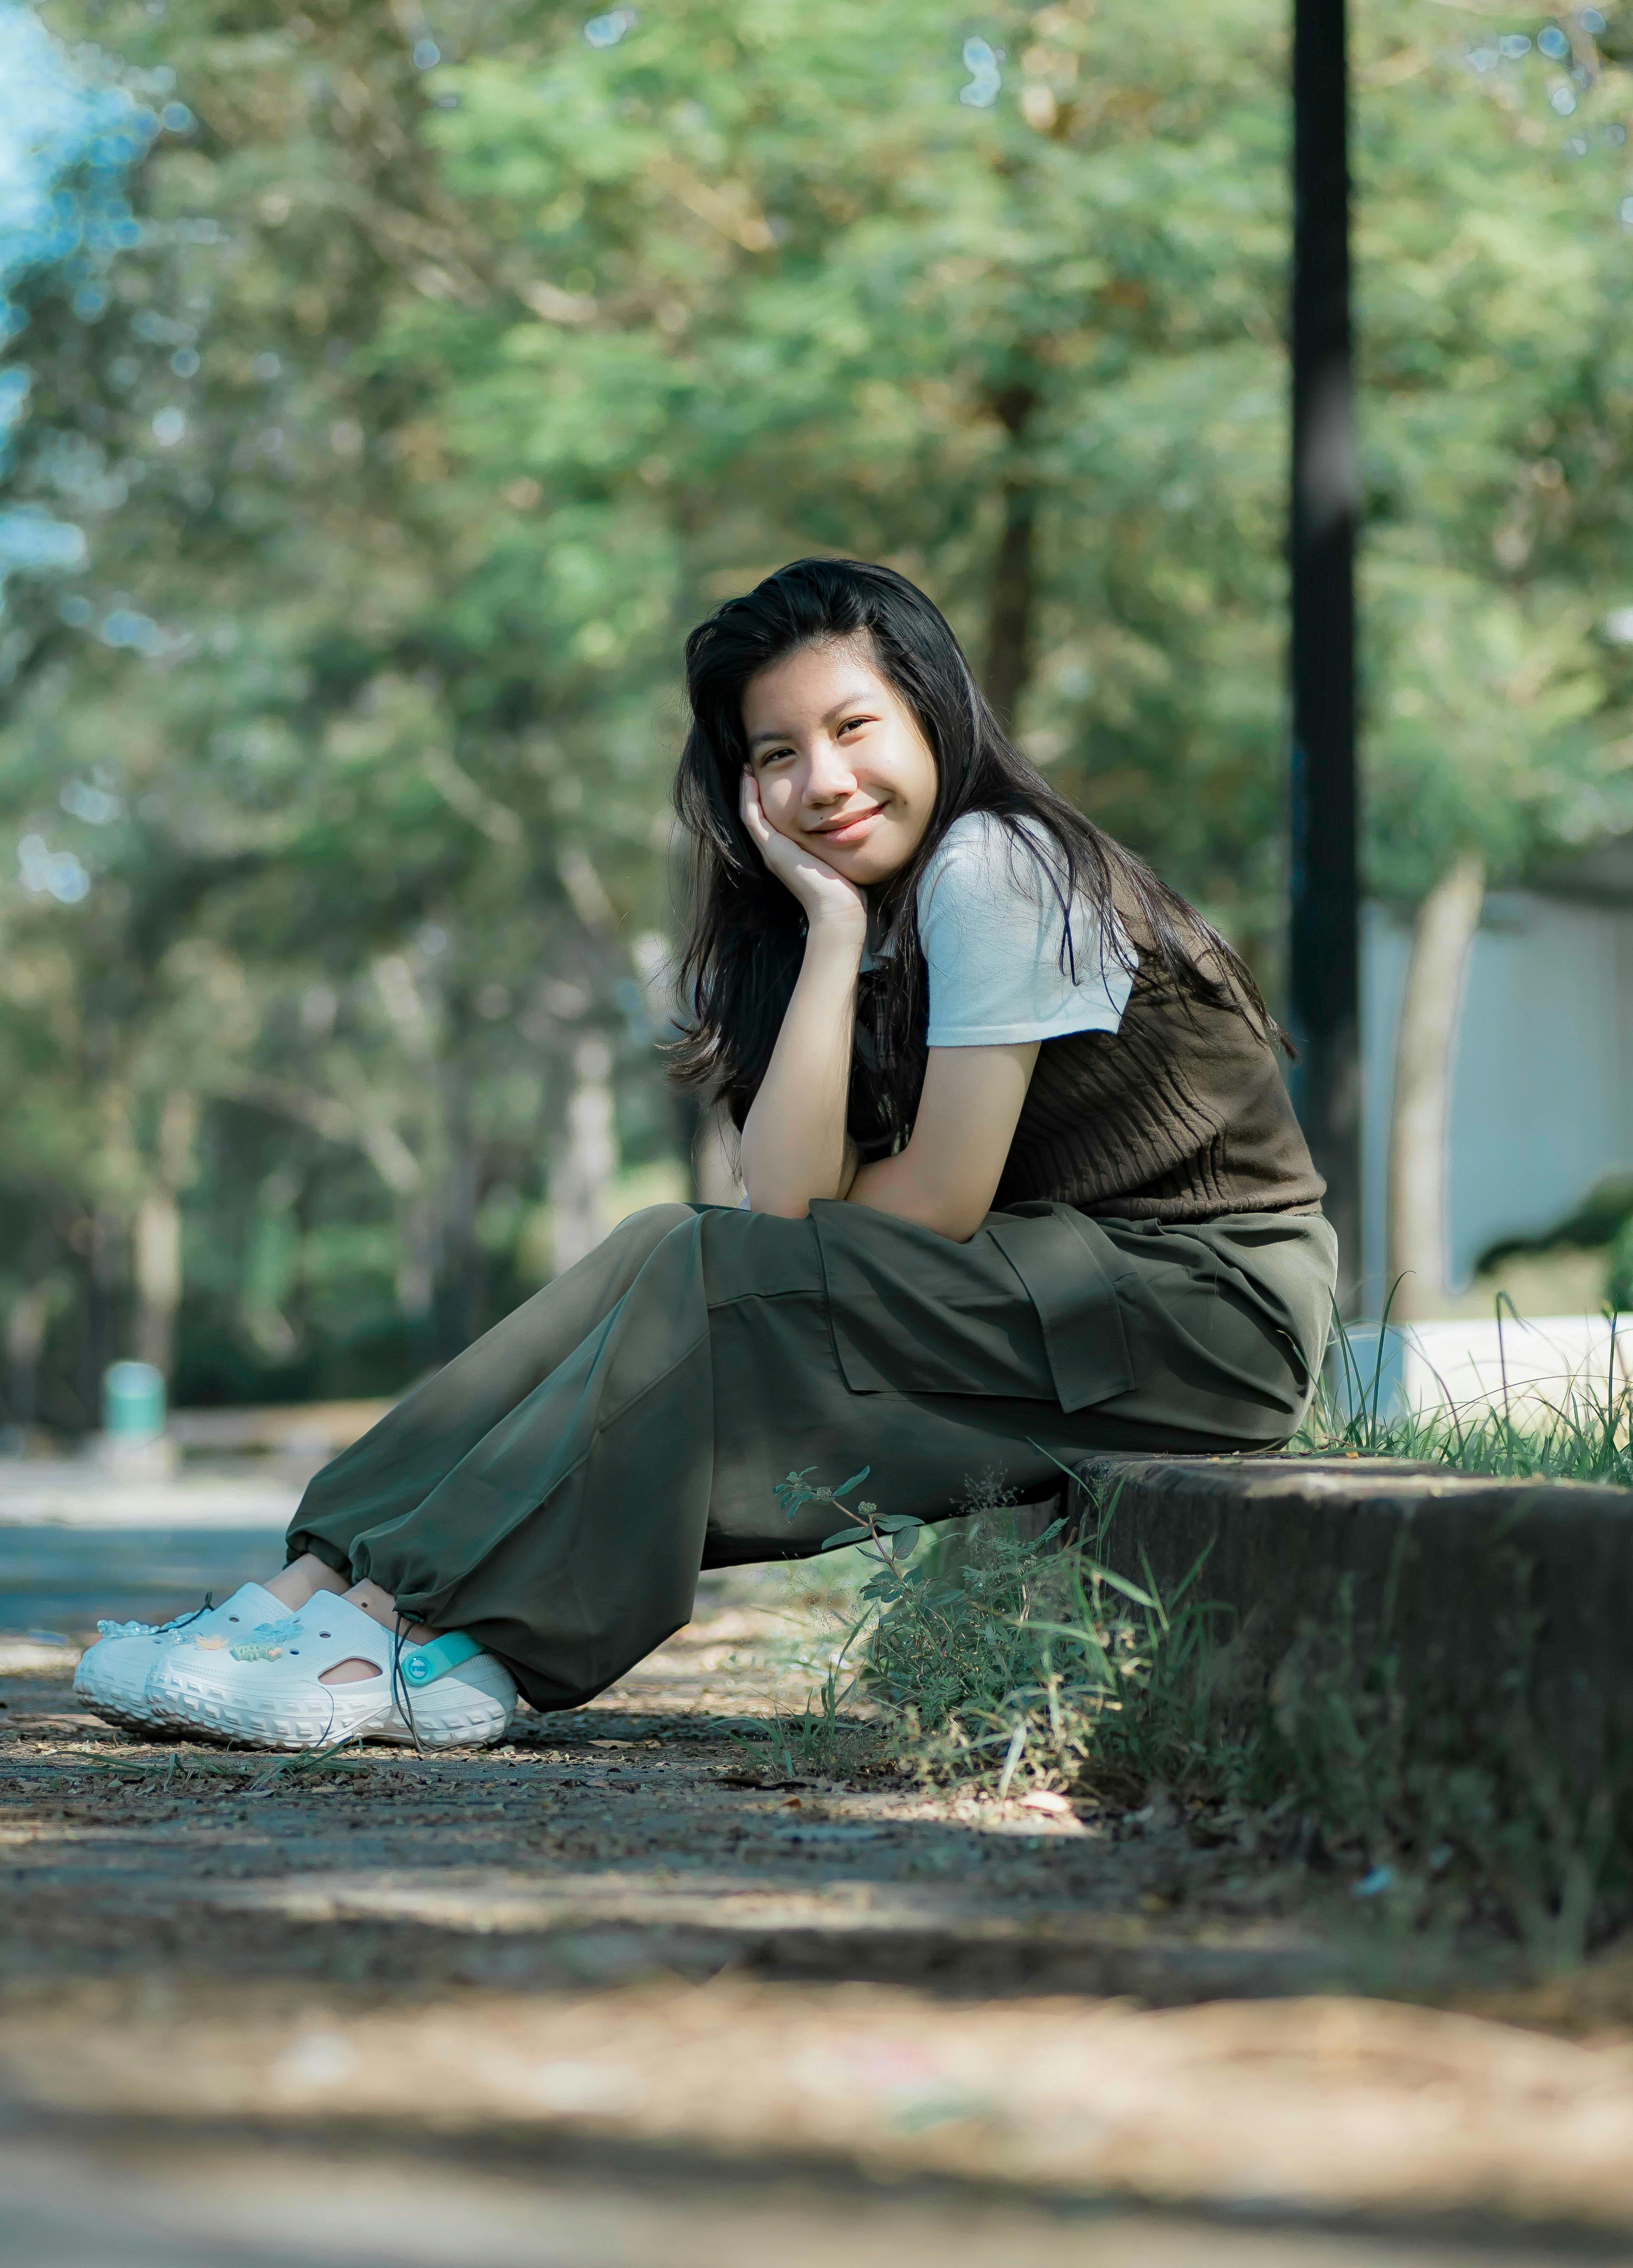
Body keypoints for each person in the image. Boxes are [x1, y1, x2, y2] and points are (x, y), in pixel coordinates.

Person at [76, 558, 1336, 1751]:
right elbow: (788, 1198)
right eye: (777, 754)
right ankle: (322, 1584)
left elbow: (933, 1205)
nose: (823, 781)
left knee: (709, 1271)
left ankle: (413, 1631)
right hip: (1075, 1301)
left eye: (854, 728)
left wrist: (816, 1160)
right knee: (664, 1246)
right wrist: (830, 931)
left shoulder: (996, 863)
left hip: (1207, 1312)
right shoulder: (877, 914)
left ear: (936, 715)